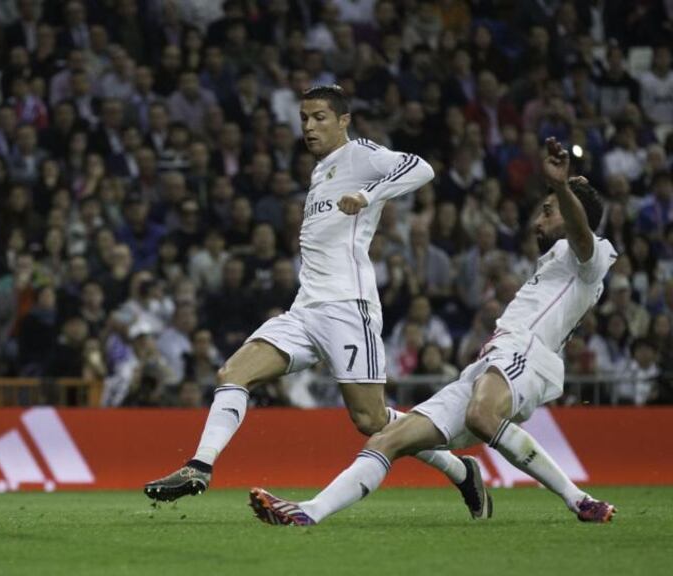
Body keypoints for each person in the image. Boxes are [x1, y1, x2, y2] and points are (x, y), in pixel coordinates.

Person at [145, 85, 488, 520]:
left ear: (344, 120)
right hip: (306, 309)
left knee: (371, 421)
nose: (309, 126)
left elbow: (421, 168)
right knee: (233, 372)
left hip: (349, 308)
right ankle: (199, 467)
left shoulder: (360, 154)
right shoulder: (321, 170)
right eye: (305, 118)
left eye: (320, 117)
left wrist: (368, 195)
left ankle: (462, 471)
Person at [248, 138, 618, 526]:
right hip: (490, 362)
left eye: (548, 212)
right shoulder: (558, 261)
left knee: (481, 415)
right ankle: (311, 512)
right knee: (387, 439)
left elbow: (581, 235)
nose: (538, 221)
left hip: (526, 354)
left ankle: (580, 500)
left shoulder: (591, 259)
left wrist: (561, 187)